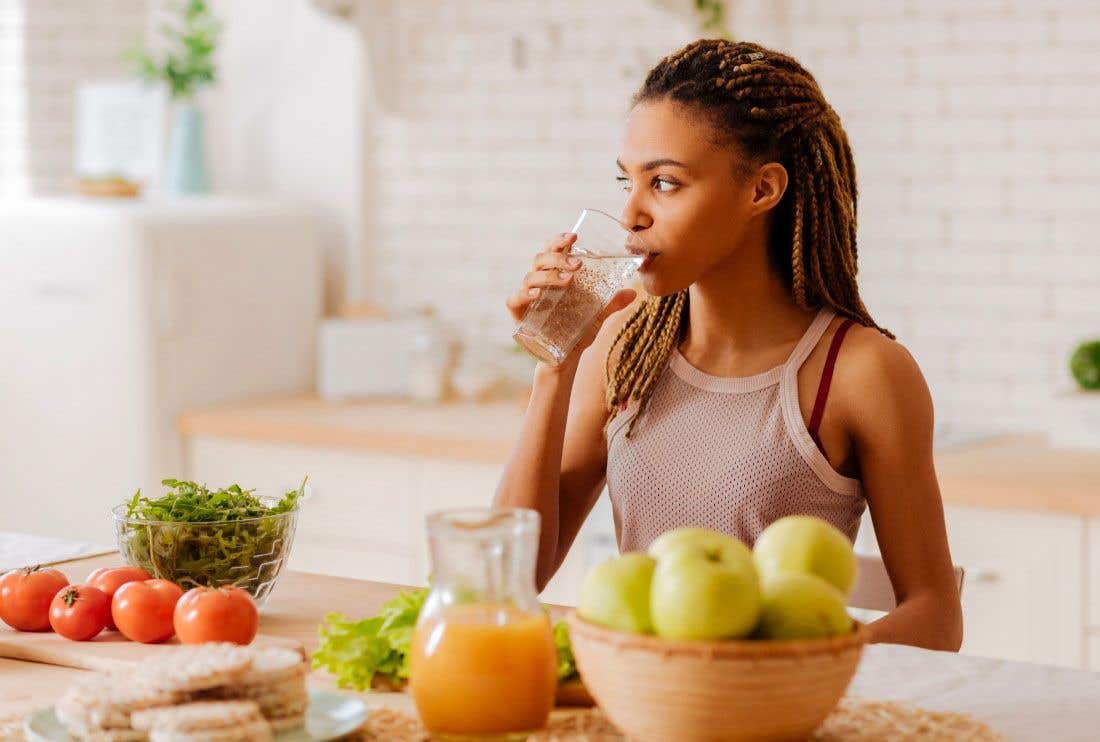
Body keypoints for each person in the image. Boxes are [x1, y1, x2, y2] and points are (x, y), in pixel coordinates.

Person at [496, 38, 962, 651]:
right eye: (625, 180)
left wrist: (787, 668)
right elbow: (508, 580)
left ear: (762, 190)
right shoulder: (621, 346)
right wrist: (555, 364)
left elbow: (934, 614)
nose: (630, 212)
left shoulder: (860, 372)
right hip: (646, 706)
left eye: (664, 182)